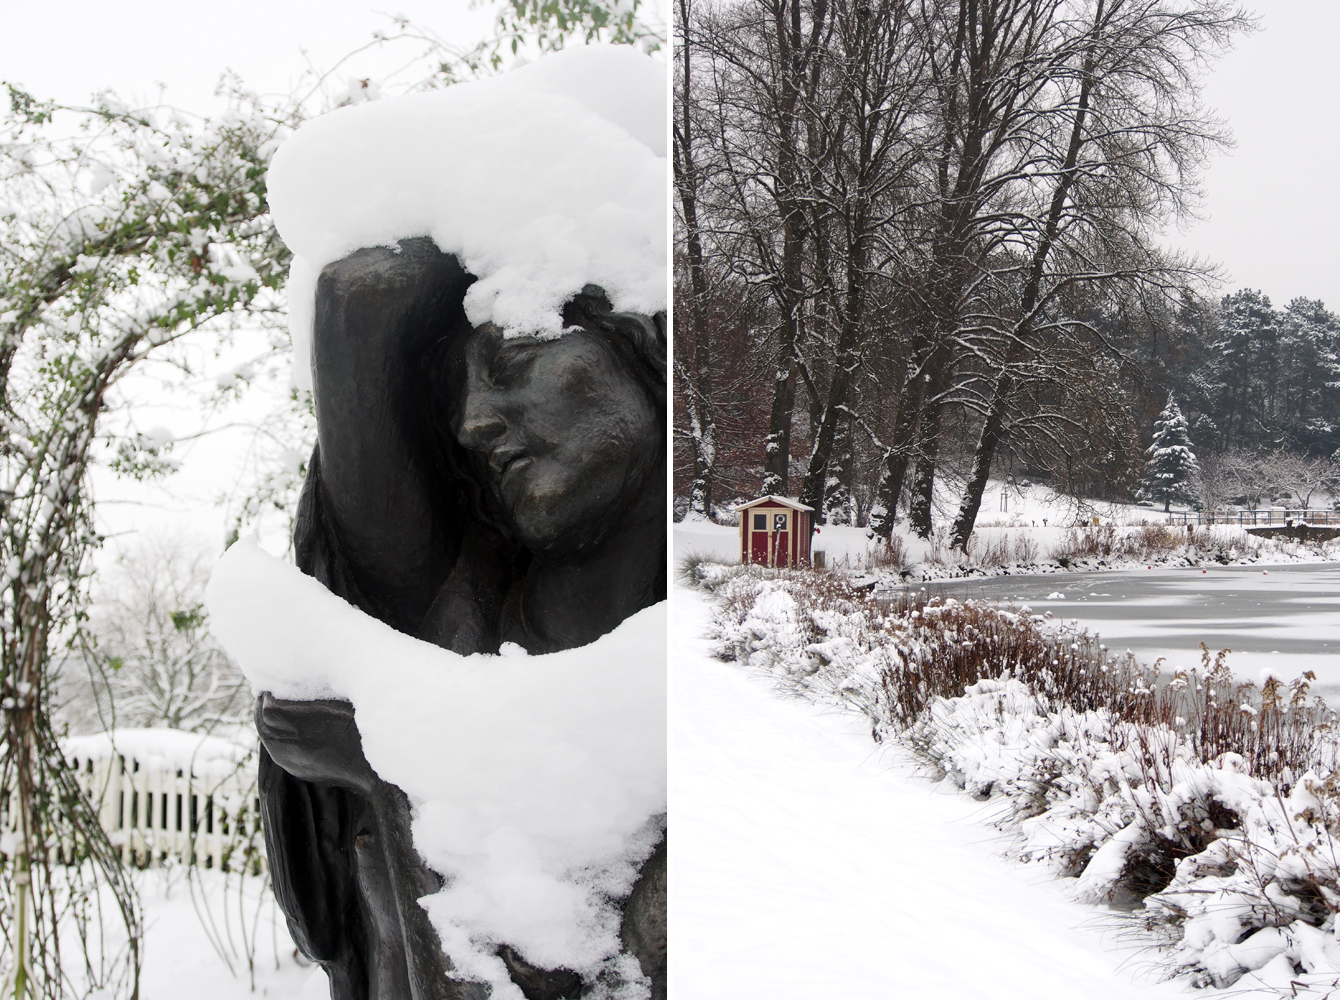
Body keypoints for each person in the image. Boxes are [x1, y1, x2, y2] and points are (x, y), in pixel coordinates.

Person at [256, 239, 666, 1000]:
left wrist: (386, 768)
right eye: (459, 404)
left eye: (513, 366)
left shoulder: (697, 685)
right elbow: (357, 293)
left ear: (647, 346)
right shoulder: (460, 613)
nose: (474, 423)